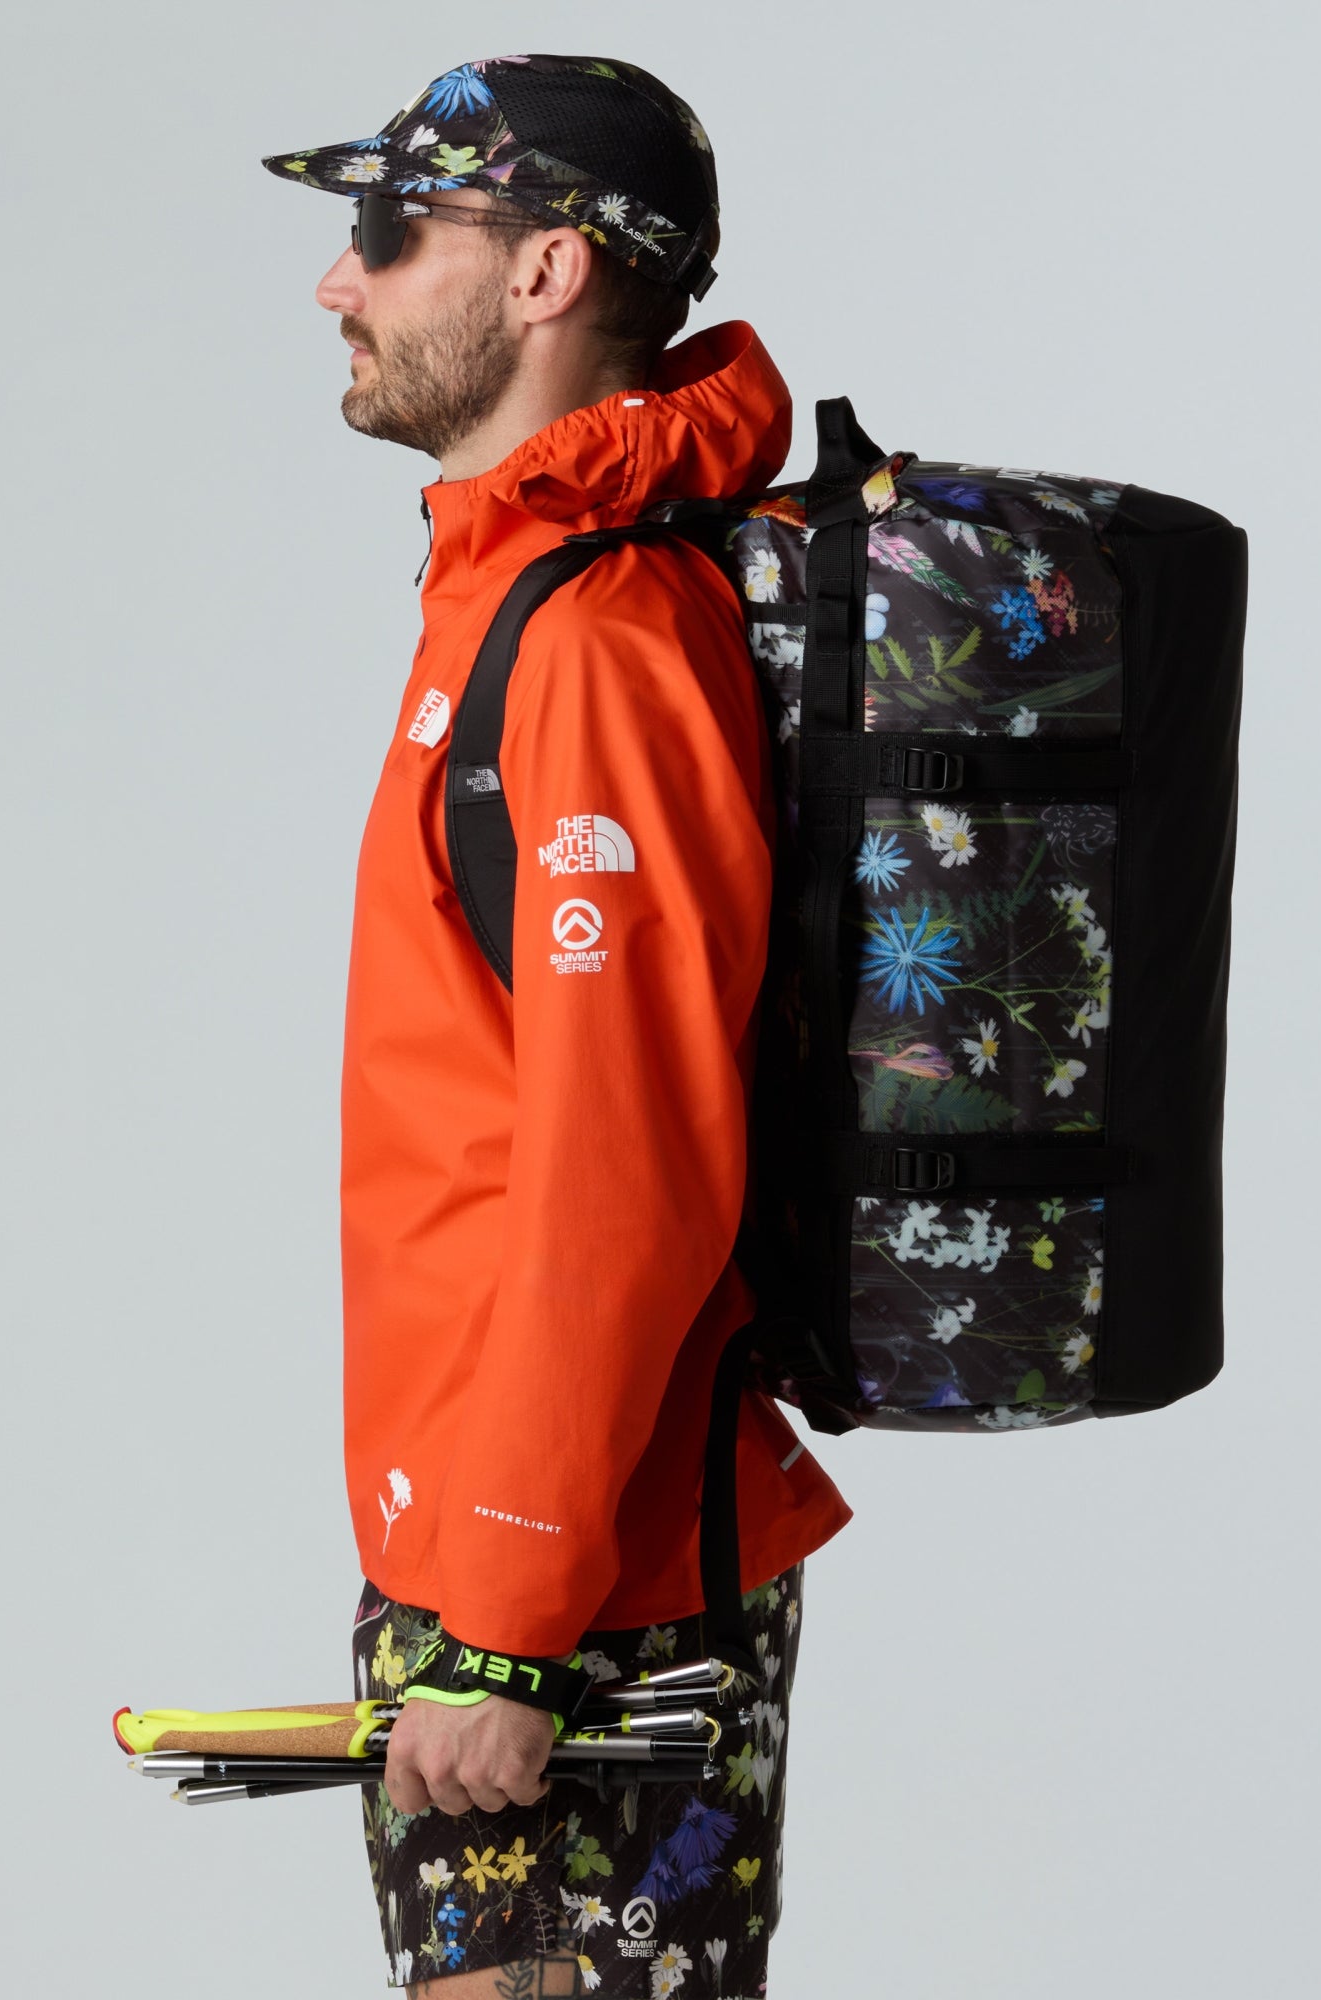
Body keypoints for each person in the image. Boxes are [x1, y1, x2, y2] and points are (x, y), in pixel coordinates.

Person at [261, 55, 851, 1998]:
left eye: (386, 232)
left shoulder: (595, 637)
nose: (336, 282)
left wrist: (507, 1610)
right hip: (491, 1552)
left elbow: (632, 1163)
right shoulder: (507, 591)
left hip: (581, 1589)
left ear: (544, 273)